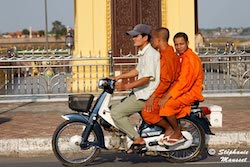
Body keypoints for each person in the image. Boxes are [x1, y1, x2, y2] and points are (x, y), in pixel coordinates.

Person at [110, 24, 160, 153]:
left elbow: (146, 78)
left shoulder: (150, 54)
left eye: (136, 36)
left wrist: (126, 86)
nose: (133, 39)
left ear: (145, 38)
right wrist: (118, 77)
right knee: (111, 108)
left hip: (145, 95)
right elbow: (137, 71)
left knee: (116, 113)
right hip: (139, 92)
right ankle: (121, 136)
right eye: (133, 36)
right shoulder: (143, 52)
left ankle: (137, 139)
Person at [156, 32, 205, 146]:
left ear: (187, 43)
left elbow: (184, 83)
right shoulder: (183, 57)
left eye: (181, 44)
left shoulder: (190, 59)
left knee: (166, 105)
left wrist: (167, 96)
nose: (178, 47)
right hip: (183, 90)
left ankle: (177, 133)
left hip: (190, 93)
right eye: (176, 44)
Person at [141, 27, 181, 131]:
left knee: (147, 112)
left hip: (167, 91)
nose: (151, 42)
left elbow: (166, 81)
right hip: (167, 89)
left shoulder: (166, 56)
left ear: (158, 40)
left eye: (152, 39)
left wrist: (153, 97)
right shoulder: (168, 53)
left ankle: (169, 129)